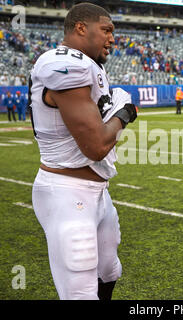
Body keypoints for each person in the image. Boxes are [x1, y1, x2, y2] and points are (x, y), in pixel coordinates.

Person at [28, 3, 137, 300]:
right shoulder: (63, 62)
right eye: (106, 30)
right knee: (81, 290)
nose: (113, 38)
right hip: (67, 191)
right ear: (80, 28)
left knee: (110, 270)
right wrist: (124, 113)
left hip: (98, 191)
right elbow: (96, 146)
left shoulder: (91, 65)